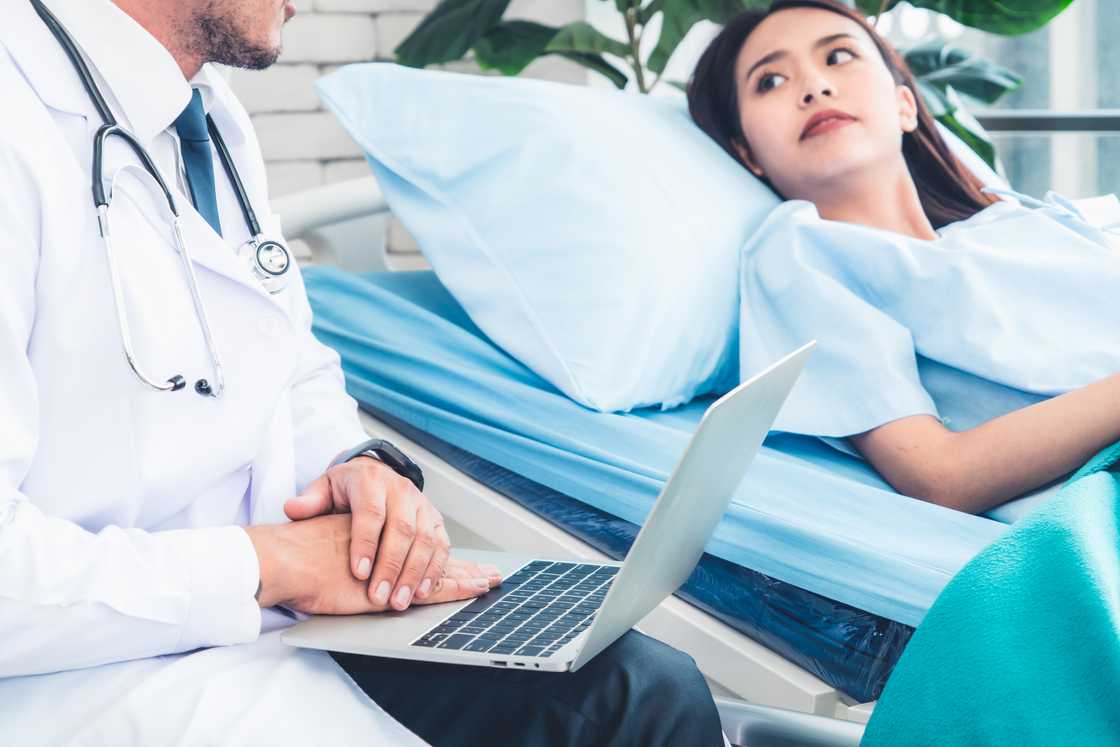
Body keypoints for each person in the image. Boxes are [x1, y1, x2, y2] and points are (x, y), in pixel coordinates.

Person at [0, 1, 723, 744]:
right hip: (84, 664)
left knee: (645, 692)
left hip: (272, 614)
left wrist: (356, 467)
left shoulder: (202, 111)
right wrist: (266, 563)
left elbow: (289, 361)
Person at [687, 0, 1120, 516]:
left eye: (839, 56)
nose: (814, 87)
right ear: (748, 154)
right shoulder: (799, 254)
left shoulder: (1015, 225)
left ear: (905, 106)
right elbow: (940, 474)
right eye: (771, 82)